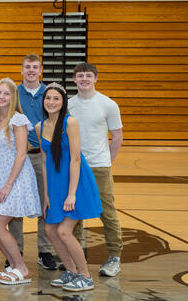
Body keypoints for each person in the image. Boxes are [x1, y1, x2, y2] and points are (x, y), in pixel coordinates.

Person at [37, 83, 102, 292]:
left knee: (64, 231)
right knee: (49, 229)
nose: (51, 102)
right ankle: (71, 271)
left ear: (63, 101)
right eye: (48, 98)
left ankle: (85, 276)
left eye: (56, 98)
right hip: (55, 184)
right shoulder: (40, 126)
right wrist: (46, 194)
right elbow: (45, 161)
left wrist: (72, 193)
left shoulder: (70, 122)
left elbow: (75, 159)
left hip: (75, 181)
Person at [68, 63, 123, 277]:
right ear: (74, 79)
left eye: (88, 76)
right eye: (80, 76)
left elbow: (117, 137)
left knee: (106, 213)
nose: (84, 79)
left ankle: (114, 257)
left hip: (99, 166)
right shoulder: (69, 104)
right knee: (75, 212)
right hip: (75, 165)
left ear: (95, 79)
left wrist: (106, 162)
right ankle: (76, 255)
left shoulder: (108, 104)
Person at [0, 77, 41, 285]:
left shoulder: (17, 119)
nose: (1, 96)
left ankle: (22, 268)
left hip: (15, 178)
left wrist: (8, 184)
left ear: (13, 97)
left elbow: (21, 154)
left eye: (6, 93)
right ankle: (14, 265)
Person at [16, 54, 57, 270]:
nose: (31, 70)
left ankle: (44, 251)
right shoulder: (14, 92)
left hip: (42, 155)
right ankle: (16, 251)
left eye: (35, 67)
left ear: (40, 70)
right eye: (27, 67)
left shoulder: (49, 94)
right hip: (19, 156)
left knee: (45, 204)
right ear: (21, 70)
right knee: (15, 205)